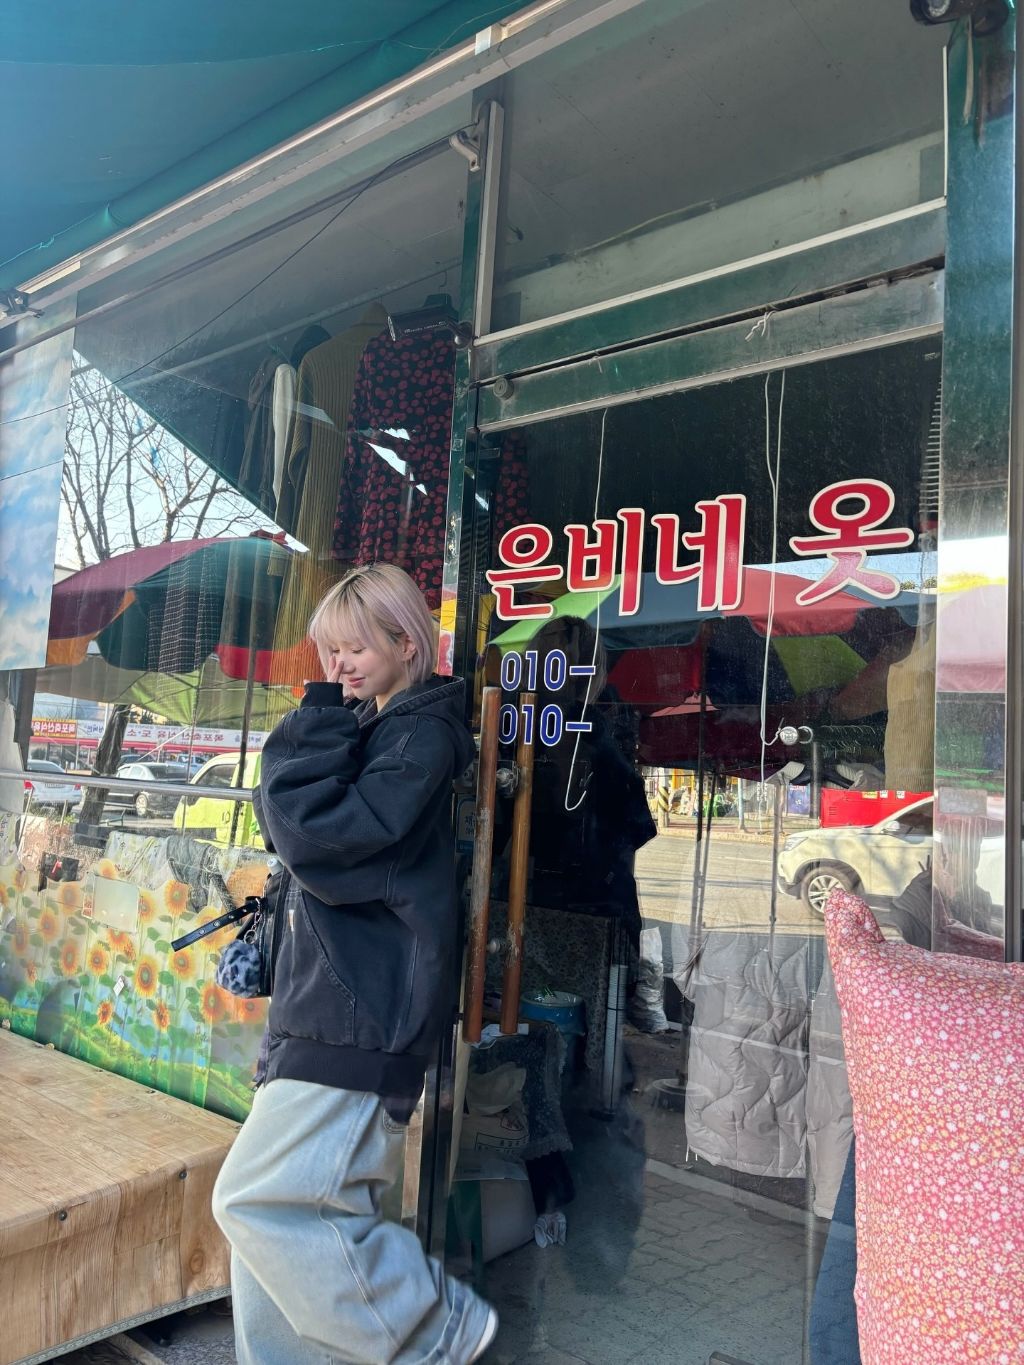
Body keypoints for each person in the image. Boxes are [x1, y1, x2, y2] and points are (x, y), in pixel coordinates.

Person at [212, 563, 496, 1364]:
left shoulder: (417, 736)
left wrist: (314, 718)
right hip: (332, 1007)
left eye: (355, 649)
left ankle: (429, 1323)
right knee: (283, 1241)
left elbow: (323, 838)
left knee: (256, 1203)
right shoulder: (382, 726)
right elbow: (300, 839)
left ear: (407, 643)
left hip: (359, 1016)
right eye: (329, 651)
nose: (337, 666)